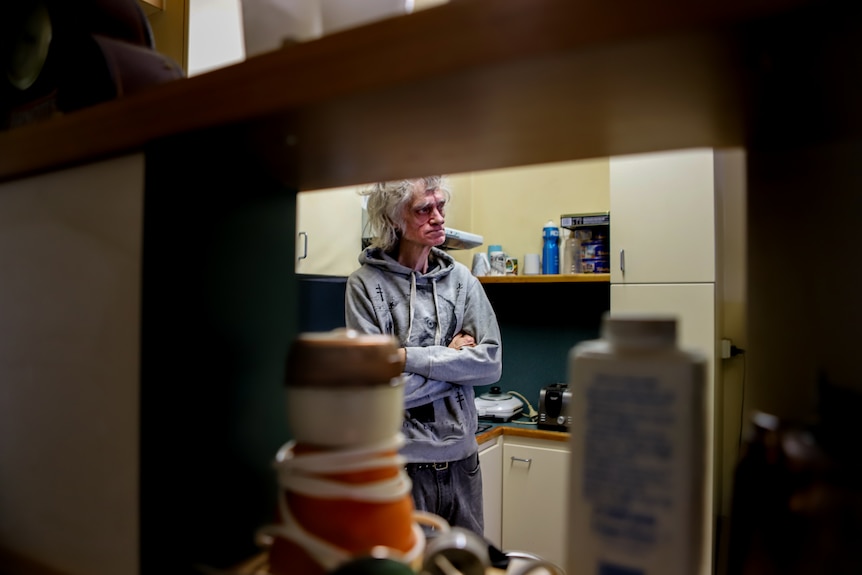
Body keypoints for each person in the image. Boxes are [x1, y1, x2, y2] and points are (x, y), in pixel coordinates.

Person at [344, 176, 502, 536]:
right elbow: (378, 394)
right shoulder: (364, 286)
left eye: (441, 206)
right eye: (424, 209)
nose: (438, 217)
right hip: (402, 465)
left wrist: (404, 358)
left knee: (468, 565)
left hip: (463, 462)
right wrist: (451, 359)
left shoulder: (463, 282)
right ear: (394, 219)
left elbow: (491, 363)